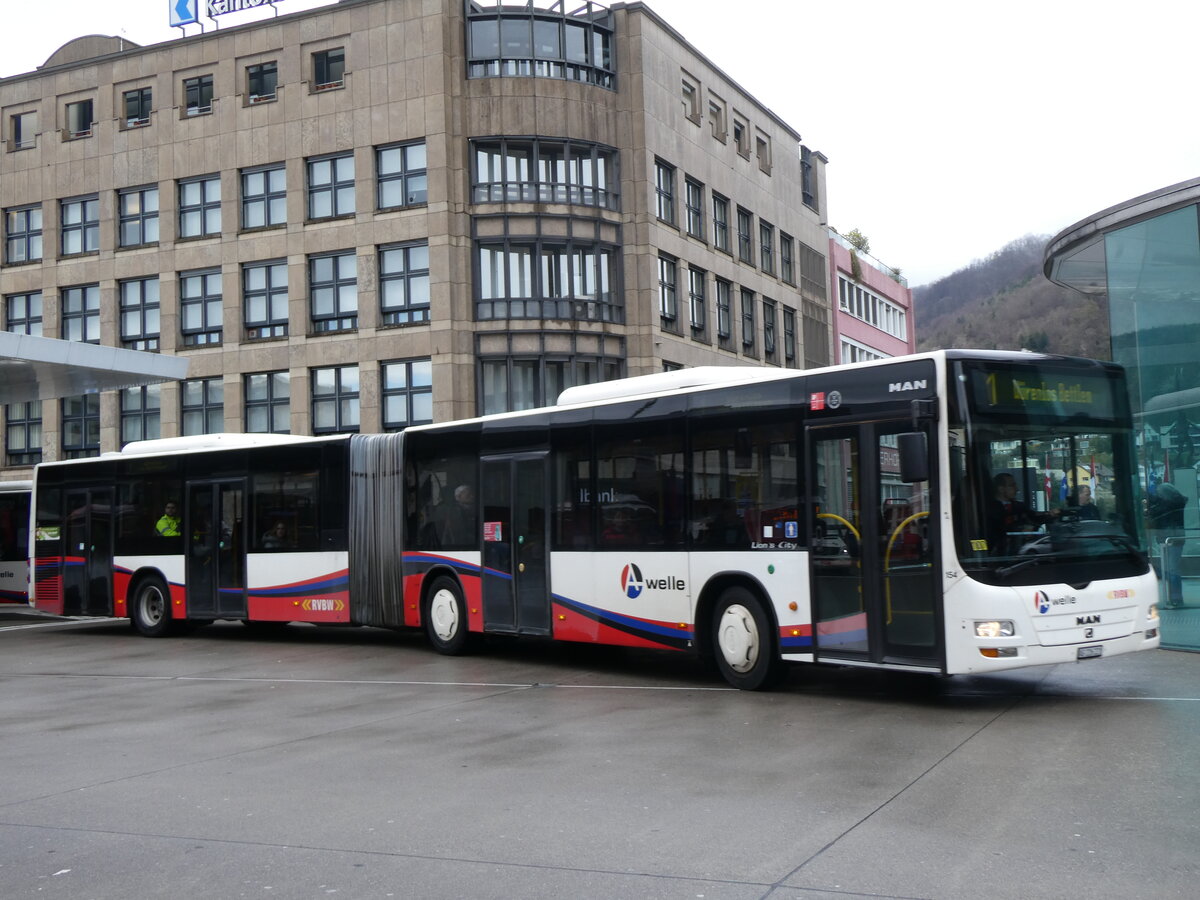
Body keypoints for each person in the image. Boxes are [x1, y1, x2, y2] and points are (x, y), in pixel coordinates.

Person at [987, 473, 1059, 553]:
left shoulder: (1019, 506)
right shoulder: (988, 509)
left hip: (1019, 552)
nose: (1017, 489)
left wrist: (1050, 515)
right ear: (1001, 489)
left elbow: (1034, 517)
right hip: (996, 555)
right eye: (1012, 485)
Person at [1147, 481, 1188, 606]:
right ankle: (1175, 597)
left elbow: (1155, 513)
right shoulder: (1178, 502)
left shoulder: (1167, 505)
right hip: (1176, 538)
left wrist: (1152, 500)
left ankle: (1175, 597)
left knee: (1171, 569)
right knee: (1172, 568)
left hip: (1168, 538)